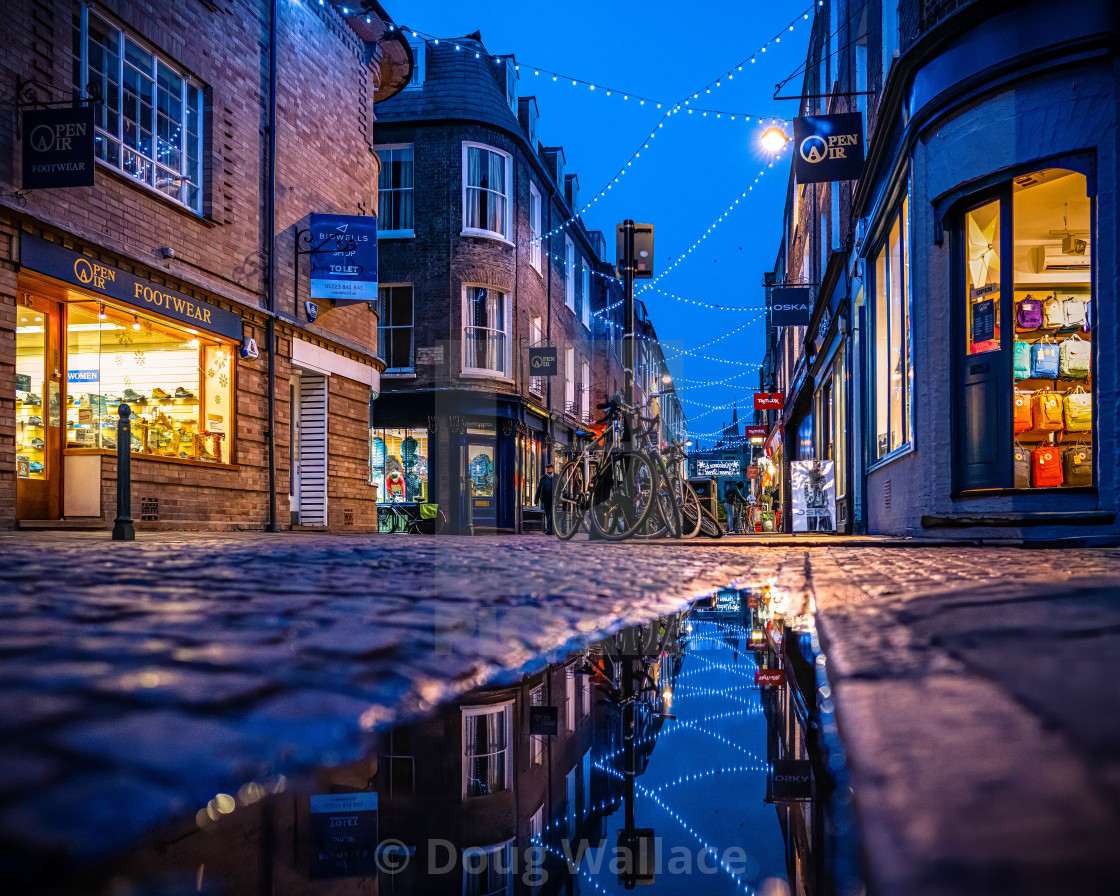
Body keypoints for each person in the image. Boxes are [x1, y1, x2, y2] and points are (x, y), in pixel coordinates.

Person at [535, 463, 556, 535]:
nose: (548, 469)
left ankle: (550, 529)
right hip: (546, 500)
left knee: (551, 514)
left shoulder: (557, 477)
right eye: (547, 468)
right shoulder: (543, 478)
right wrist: (536, 499)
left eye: (549, 468)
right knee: (548, 514)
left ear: (553, 469)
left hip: (554, 500)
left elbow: (561, 487)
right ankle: (551, 529)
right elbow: (539, 489)